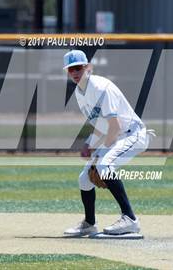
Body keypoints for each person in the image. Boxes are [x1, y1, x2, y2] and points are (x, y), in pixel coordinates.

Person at [63, 50, 153, 237]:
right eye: (70, 69)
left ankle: (130, 220)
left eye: (78, 67)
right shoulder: (80, 92)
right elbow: (101, 125)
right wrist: (90, 144)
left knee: (104, 165)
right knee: (84, 178)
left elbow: (115, 125)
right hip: (117, 134)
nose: (75, 72)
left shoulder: (100, 87)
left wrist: (98, 159)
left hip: (133, 134)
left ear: (88, 68)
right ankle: (89, 223)